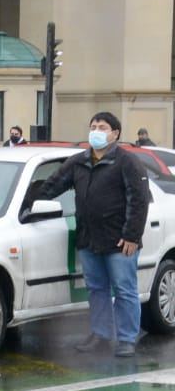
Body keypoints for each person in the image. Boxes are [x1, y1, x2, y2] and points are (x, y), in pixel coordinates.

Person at [36, 111, 148, 358]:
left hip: (120, 241)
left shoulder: (127, 162)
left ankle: (127, 338)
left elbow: (138, 200)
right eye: (93, 126)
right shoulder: (78, 162)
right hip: (89, 238)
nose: (97, 130)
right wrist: (31, 202)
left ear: (115, 133)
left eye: (102, 127)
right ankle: (100, 334)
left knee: (124, 290)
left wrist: (131, 235)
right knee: (96, 289)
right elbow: (52, 185)